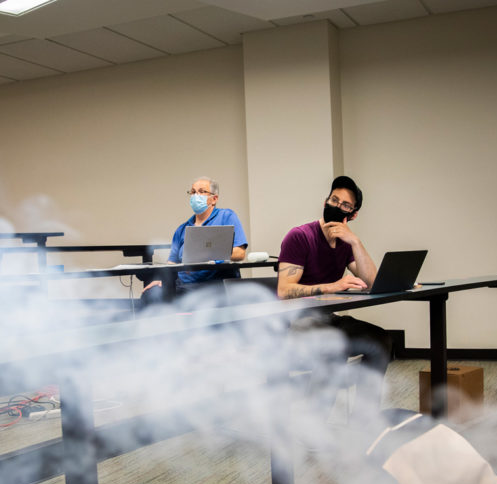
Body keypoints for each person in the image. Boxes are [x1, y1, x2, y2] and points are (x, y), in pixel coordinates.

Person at [276, 175, 394, 420]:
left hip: (328, 320)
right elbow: (285, 290)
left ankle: (363, 420)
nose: (337, 207)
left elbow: (372, 281)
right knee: (333, 348)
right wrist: (332, 286)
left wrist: (355, 241)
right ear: (325, 200)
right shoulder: (299, 237)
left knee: (381, 340)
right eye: (334, 200)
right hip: (298, 324)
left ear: (353, 215)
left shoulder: (344, 243)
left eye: (345, 205)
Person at [140, 176, 248, 304]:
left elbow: (240, 253)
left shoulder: (226, 217)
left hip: (215, 287)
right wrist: (164, 280)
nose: (196, 196)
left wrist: (214, 259)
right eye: (193, 192)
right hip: (185, 287)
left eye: (202, 191)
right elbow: (172, 264)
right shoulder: (182, 229)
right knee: (150, 296)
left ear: (214, 199)